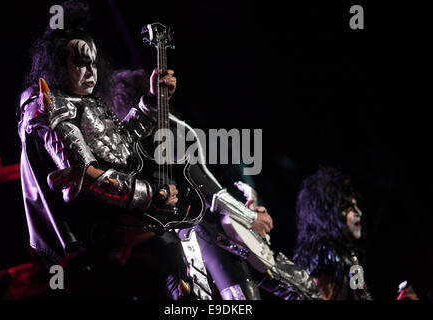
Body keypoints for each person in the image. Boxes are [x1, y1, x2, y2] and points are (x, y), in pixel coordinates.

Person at [17, 1, 193, 299]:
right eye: (81, 63)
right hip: (89, 246)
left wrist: (151, 102)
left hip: (118, 233)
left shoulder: (86, 103)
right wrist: (151, 194)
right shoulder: (46, 105)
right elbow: (84, 175)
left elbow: (118, 147)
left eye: (93, 63)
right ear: (59, 65)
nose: (90, 72)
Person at [108, 68, 321, 300]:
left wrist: (245, 213)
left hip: (187, 252)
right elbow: (211, 192)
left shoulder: (126, 153)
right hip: (208, 239)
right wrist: (250, 218)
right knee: (300, 290)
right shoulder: (170, 130)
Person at [292, 166, 372, 300]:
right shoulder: (323, 255)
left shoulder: (349, 256)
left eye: (356, 205)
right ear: (328, 213)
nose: (359, 213)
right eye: (348, 207)